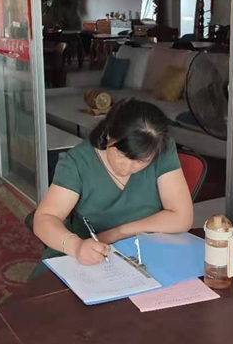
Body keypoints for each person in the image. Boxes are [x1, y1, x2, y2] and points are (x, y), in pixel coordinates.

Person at [32, 99, 194, 271]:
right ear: (109, 135)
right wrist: (76, 246)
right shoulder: (78, 162)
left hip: (144, 252)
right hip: (87, 254)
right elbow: (44, 219)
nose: (128, 167)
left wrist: (117, 233)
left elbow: (182, 217)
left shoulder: (159, 148)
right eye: (122, 155)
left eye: (142, 161)